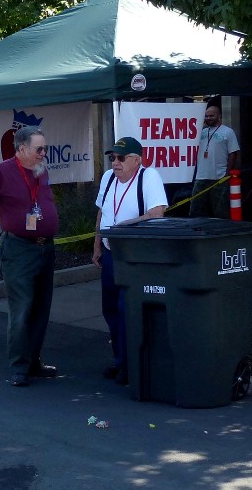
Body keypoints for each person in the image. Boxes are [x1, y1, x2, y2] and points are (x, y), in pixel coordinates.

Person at [0, 126, 59, 387]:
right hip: (19, 249)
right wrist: (3, 218)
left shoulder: (41, 171)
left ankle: (33, 362)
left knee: (41, 308)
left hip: (45, 248)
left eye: (45, 148)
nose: (44, 153)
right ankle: (19, 367)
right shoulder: (2, 172)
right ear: (21, 149)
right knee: (22, 308)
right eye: (38, 149)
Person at [92, 137, 167, 385]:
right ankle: (120, 359)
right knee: (110, 308)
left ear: (137, 160)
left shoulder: (149, 177)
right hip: (111, 253)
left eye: (121, 158)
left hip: (135, 256)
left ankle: (131, 363)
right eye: (112, 157)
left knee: (128, 309)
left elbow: (157, 212)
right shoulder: (109, 178)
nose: (116, 162)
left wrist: (124, 227)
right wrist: (97, 245)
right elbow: (102, 212)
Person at [189, 104, 240, 219]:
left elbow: (233, 153)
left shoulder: (228, 132)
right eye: (206, 116)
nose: (208, 118)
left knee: (220, 211)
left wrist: (227, 173)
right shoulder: (200, 132)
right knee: (196, 209)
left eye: (211, 116)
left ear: (219, 116)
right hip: (200, 177)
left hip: (219, 177)